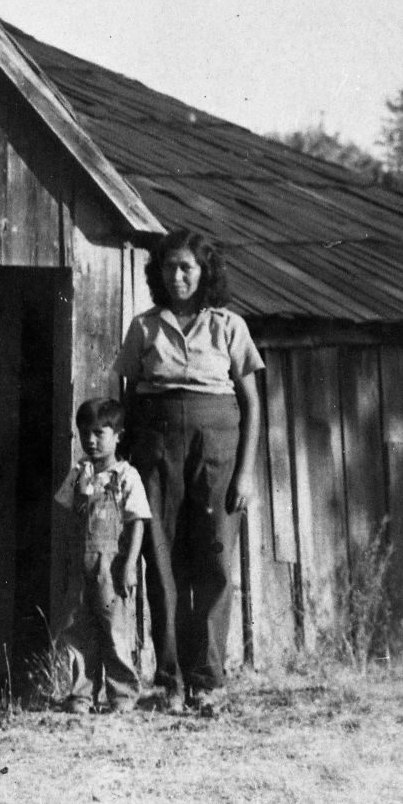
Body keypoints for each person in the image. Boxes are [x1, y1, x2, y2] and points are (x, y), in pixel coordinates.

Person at [113, 227, 264, 713]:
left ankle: (209, 680)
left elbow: (252, 404)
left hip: (216, 449)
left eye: (186, 268)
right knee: (161, 563)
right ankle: (171, 680)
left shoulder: (228, 325)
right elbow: (127, 398)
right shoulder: (144, 327)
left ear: (204, 272)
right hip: (157, 450)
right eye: (168, 267)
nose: (176, 276)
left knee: (214, 561)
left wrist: (245, 473)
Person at [49, 399, 151, 714]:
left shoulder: (125, 476)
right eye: (84, 433)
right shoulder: (78, 473)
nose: (90, 441)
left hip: (112, 568)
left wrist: (130, 565)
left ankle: (122, 695)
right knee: (79, 632)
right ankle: (82, 695)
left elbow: (137, 522)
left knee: (114, 630)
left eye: (98, 433)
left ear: (118, 436)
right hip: (81, 567)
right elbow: (64, 512)